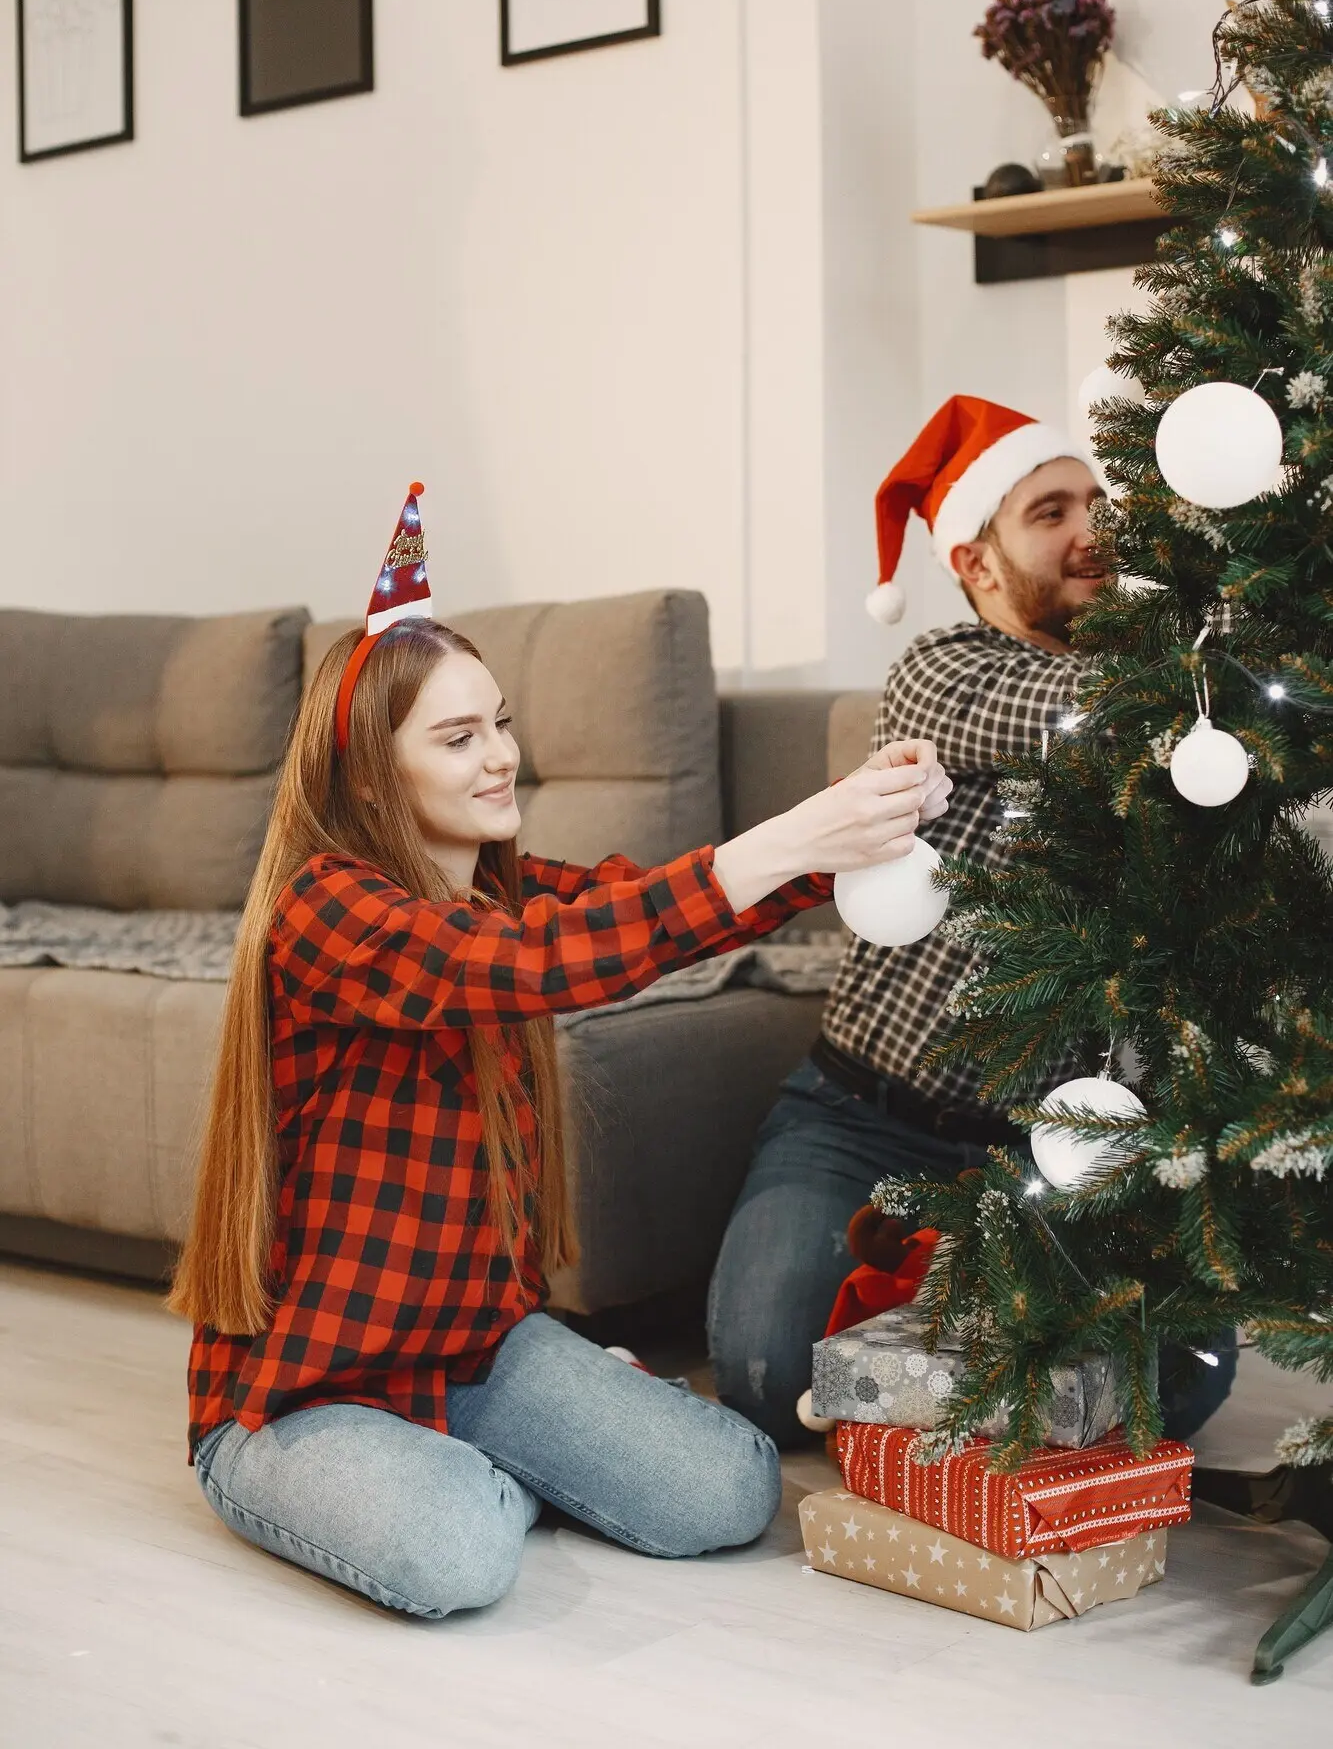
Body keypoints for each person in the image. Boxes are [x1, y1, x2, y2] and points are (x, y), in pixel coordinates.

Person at [166, 482, 951, 1620]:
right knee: (453, 1553)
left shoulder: (497, 890)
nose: (503, 758)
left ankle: (486, 1458)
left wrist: (846, 834)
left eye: (501, 721)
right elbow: (531, 962)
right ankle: (364, 1479)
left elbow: (630, 911)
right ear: (372, 771)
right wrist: (789, 839)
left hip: (472, 1347)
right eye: (458, 735)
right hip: (304, 1388)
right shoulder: (324, 907)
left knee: (730, 1488)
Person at [708, 394, 1238, 1448]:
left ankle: (946, 1347)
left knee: (1184, 1382)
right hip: (861, 1115)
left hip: (1055, 1141)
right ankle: (965, 1352)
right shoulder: (940, 670)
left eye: (1098, 501)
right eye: (1051, 511)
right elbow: (1085, 719)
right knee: (765, 1371)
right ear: (977, 561)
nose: (1094, 529)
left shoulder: (1183, 707)